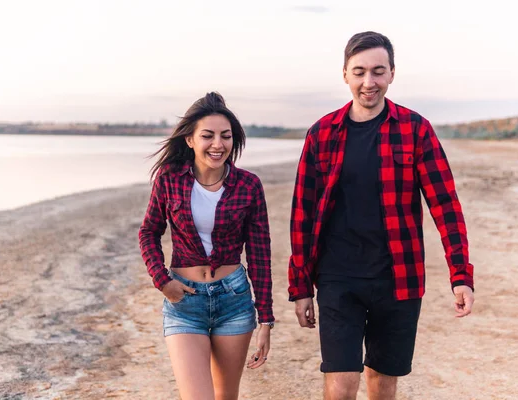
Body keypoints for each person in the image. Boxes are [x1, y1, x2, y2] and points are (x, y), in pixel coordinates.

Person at [288, 31, 475, 399]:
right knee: (340, 384)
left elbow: (446, 207)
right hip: (338, 279)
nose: (368, 82)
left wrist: (461, 275)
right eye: (359, 72)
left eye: (377, 71)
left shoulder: (415, 129)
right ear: (345, 74)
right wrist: (300, 287)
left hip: (398, 279)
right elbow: (302, 215)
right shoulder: (322, 134)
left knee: (382, 382)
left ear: (392, 74)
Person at [139, 92, 274, 400]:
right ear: (190, 140)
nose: (218, 144)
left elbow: (260, 255)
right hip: (184, 303)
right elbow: (149, 231)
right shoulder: (169, 179)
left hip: (234, 301)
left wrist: (265, 317)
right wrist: (162, 281)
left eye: (225, 136)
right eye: (208, 136)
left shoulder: (249, 185)